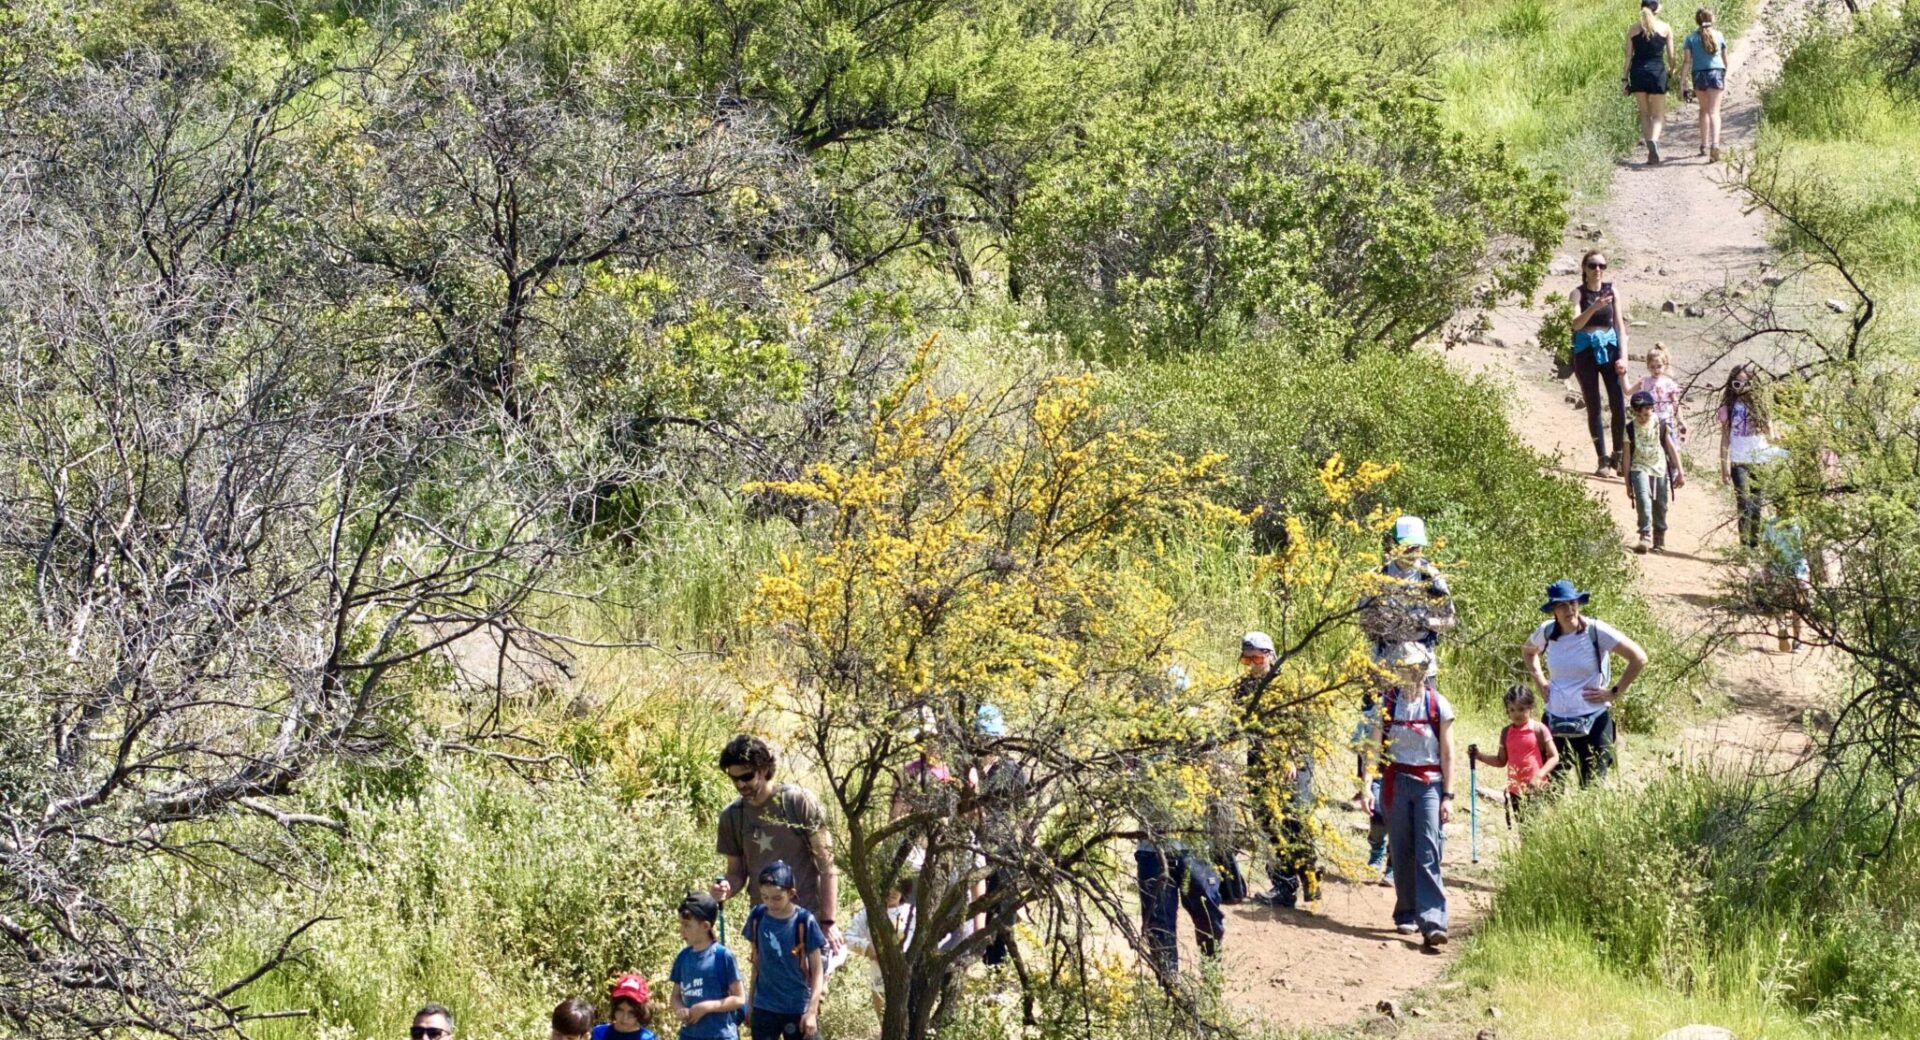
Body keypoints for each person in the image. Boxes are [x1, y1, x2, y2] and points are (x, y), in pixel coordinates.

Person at [1353, 515, 1455, 884]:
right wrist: (1384, 622)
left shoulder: (1431, 577)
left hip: (1420, 670)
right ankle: (1377, 842)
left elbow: (1450, 619)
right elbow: (1361, 619)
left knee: (1417, 746)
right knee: (1375, 749)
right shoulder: (1378, 576)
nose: (1413, 552)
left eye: (1417, 546)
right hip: (1382, 669)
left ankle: (1400, 856)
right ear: (1393, 544)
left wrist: (1427, 621)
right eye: (1407, 545)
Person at [712, 737, 844, 953]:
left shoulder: (798, 802)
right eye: (733, 778)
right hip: (765, 925)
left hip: (807, 921)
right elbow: (736, 873)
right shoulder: (732, 817)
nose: (740, 784)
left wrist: (829, 922)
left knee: (812, 987)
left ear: (763, 769)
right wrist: (725, 889)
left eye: (746, 776)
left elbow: (827, 864)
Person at [1522, 581, 1649, 787]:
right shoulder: (1546, 631)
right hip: (1555, 721)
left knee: (1591, 788)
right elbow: (1528, 652)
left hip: (1594, 721)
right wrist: (1540, 681)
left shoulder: (1596, 630)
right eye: (1562, 605)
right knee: (1549, 786)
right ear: (1553, 609)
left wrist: (1614, 692)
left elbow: (1639, 658)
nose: (1569, 610)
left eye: (1572, 603)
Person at [1369, 642, 1455, 948]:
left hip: (1429, 783)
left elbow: (1447, 753)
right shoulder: (1388, 702)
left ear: (1425, 670)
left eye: (1417, 668)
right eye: (1406, 668)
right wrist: (1368, 784)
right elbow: (1375, 746)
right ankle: (1405, 912)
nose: (1411, 674)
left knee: (1429, 850)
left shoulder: (1438, 704)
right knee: (1401, 849)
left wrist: (1448, 795)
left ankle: (1433, 920)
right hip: (1396, 781)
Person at [1234, 631, 1320, 910]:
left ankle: (1310, 879)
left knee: (1293, 819)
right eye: (1246, 660)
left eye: (1256, 658)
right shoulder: (1244, 687)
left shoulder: (1287, 685)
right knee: (1268, 821)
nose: (1252, 664)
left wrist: (1291, 757)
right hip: (1260, 761)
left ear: (1270, 655)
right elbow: (1237, 725)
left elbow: (1303, 727)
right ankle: (1284, 885)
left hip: (1291, 762)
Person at [971, 703, 1028, 967]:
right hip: (971, 850)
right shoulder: (965, 768)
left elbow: (1023, 815)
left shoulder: (1011, 771)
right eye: (983, 736)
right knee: (970, 914)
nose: (987, 742)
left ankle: (996, 976)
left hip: (1004, 853)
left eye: (991, 736)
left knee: (1002, 918)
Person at [743, 861, 826, 1040]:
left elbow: (818, 970)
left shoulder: (805, 921)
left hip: (797, 1007)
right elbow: (756, 963)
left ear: (791, 893)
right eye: (764, 897)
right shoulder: (757, 916)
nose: (770, 903)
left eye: (776, 898)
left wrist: (811, 1011)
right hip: (764, 1006)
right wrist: (750, 1003)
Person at [1571, 251, 1630, 477]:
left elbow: (1620, 326)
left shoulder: (1612, 291)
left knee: (1617, 403)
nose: (1598, 270)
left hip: (1610, 346)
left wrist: (1623, 357)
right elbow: (1576, 324)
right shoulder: (1577, 294)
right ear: (1584, 268)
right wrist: (1594, 307)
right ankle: (1602, 458)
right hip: (1585, 350)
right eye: (1593, 265)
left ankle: (1618, 453)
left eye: (1602, 265)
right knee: (1593, 404)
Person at [1466, 686, 1560, 826]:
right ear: (1507, 711)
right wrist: (1479, 756)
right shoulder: (1506, 733)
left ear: (1531, 707)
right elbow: (1501, 761)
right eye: (1512, 710)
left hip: (1536, 788)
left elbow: (1554, 757)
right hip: (1515, 790)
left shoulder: (1539, 729)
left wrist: (1539, 775)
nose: (1517, 714)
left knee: (1538, 829)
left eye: (1521, 709)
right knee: (1524, 830)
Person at [1718, 363, 1780, 549]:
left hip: (1760, 460)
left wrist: (1778, 440)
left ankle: (1754, 544)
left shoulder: (1761, 406)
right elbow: (1725, 438)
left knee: (1756, 504)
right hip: (1739, 460)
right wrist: (1723, 466)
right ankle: (1745, 545)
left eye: (1745, 383)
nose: (1741, 388)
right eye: (1736, 384)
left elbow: (1771, 434)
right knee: (1743, 501)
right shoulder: (1728, 407)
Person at [672, 892, 746, 1040]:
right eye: (681, 924)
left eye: (687, 925)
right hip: (689, 1035)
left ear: (705, 926)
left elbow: (739, 999)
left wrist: (707, 1007)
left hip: (720, 1035)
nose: (682, 930)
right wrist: (680, 1009)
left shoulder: (723, 956)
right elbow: (675, 996)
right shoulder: (683, 957)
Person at [1625, 389, 1686, 554]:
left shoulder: (1660, 424)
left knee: (1660, 503)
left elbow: (1671, 448)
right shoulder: (1630, 428)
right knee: (1643, 499)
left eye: (1647, 413)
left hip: (1659, 467)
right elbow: (1627, 457)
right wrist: (1627, 483)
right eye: (1640, 415)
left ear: (1652, 409)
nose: (1644, 417)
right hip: (1639, 467)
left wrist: (1680, 471)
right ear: (1634, 412)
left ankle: (1659, 536)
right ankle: (1645, 536)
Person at [842, 879, 915, 1016]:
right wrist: (867, 947)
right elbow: (847, 937)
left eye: (897, 887)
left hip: (910, 982)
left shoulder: (913, 913)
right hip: (879, 982)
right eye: (889, 886)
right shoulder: (867, 914)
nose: (893, 891)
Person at [1625, 0, 1679, 165]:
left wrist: (1624, 79)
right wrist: (1671, 70)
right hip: (1657, 73)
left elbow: (1628, 57)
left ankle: (1650, 149)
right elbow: (1671, 56)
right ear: (1657, 9)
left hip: (1638, 73)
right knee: (1658, 115)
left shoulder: (1633, 30)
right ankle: (1653, 141)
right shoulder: (1665, 28)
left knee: (1644, 114)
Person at [1680, 8, 1730, 162]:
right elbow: (1725, 60)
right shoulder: (1719, 35)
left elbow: (1687, 62)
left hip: (1699, 74)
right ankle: (1715, 144)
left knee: (1704, 110)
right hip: (1716, 73)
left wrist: (1682, 82)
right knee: (1715, 112)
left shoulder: (1690, 38)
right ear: (1712, 19)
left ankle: (1703, 144)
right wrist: (1724, 75)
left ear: (1697, 21)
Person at [1634, 343, 1689, 444]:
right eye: (1652, 367)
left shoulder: (1668, 383)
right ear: (1648, 367)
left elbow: (1675, 403)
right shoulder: (1645, 382)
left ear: (1665, 365)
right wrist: (1622, 375)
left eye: (1659, 366)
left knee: (1670, 447)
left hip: (1666, 420)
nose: (1656, 370)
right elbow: (1628, 391)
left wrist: (1680, 420)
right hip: (1650, 421)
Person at [594, 976, 655, 1040]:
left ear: (641, 1012)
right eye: (620, 1010)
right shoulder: (600, 1032)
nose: (624, 1018)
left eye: (631, 1013)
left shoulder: (647, 1038)